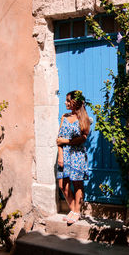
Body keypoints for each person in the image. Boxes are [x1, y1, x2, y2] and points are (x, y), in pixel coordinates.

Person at [56, 90, 90, 224]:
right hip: (64, 155)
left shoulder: (83, 119)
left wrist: (66, 141)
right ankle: (73, 209)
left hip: (77, 155)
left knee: (77, 184)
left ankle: (76, 212)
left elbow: (83, 139)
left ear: (74, 102)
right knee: (62, 185)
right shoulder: (64, 117)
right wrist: (60, 155)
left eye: (68, 101)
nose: (65, 103)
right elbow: (59, 138)